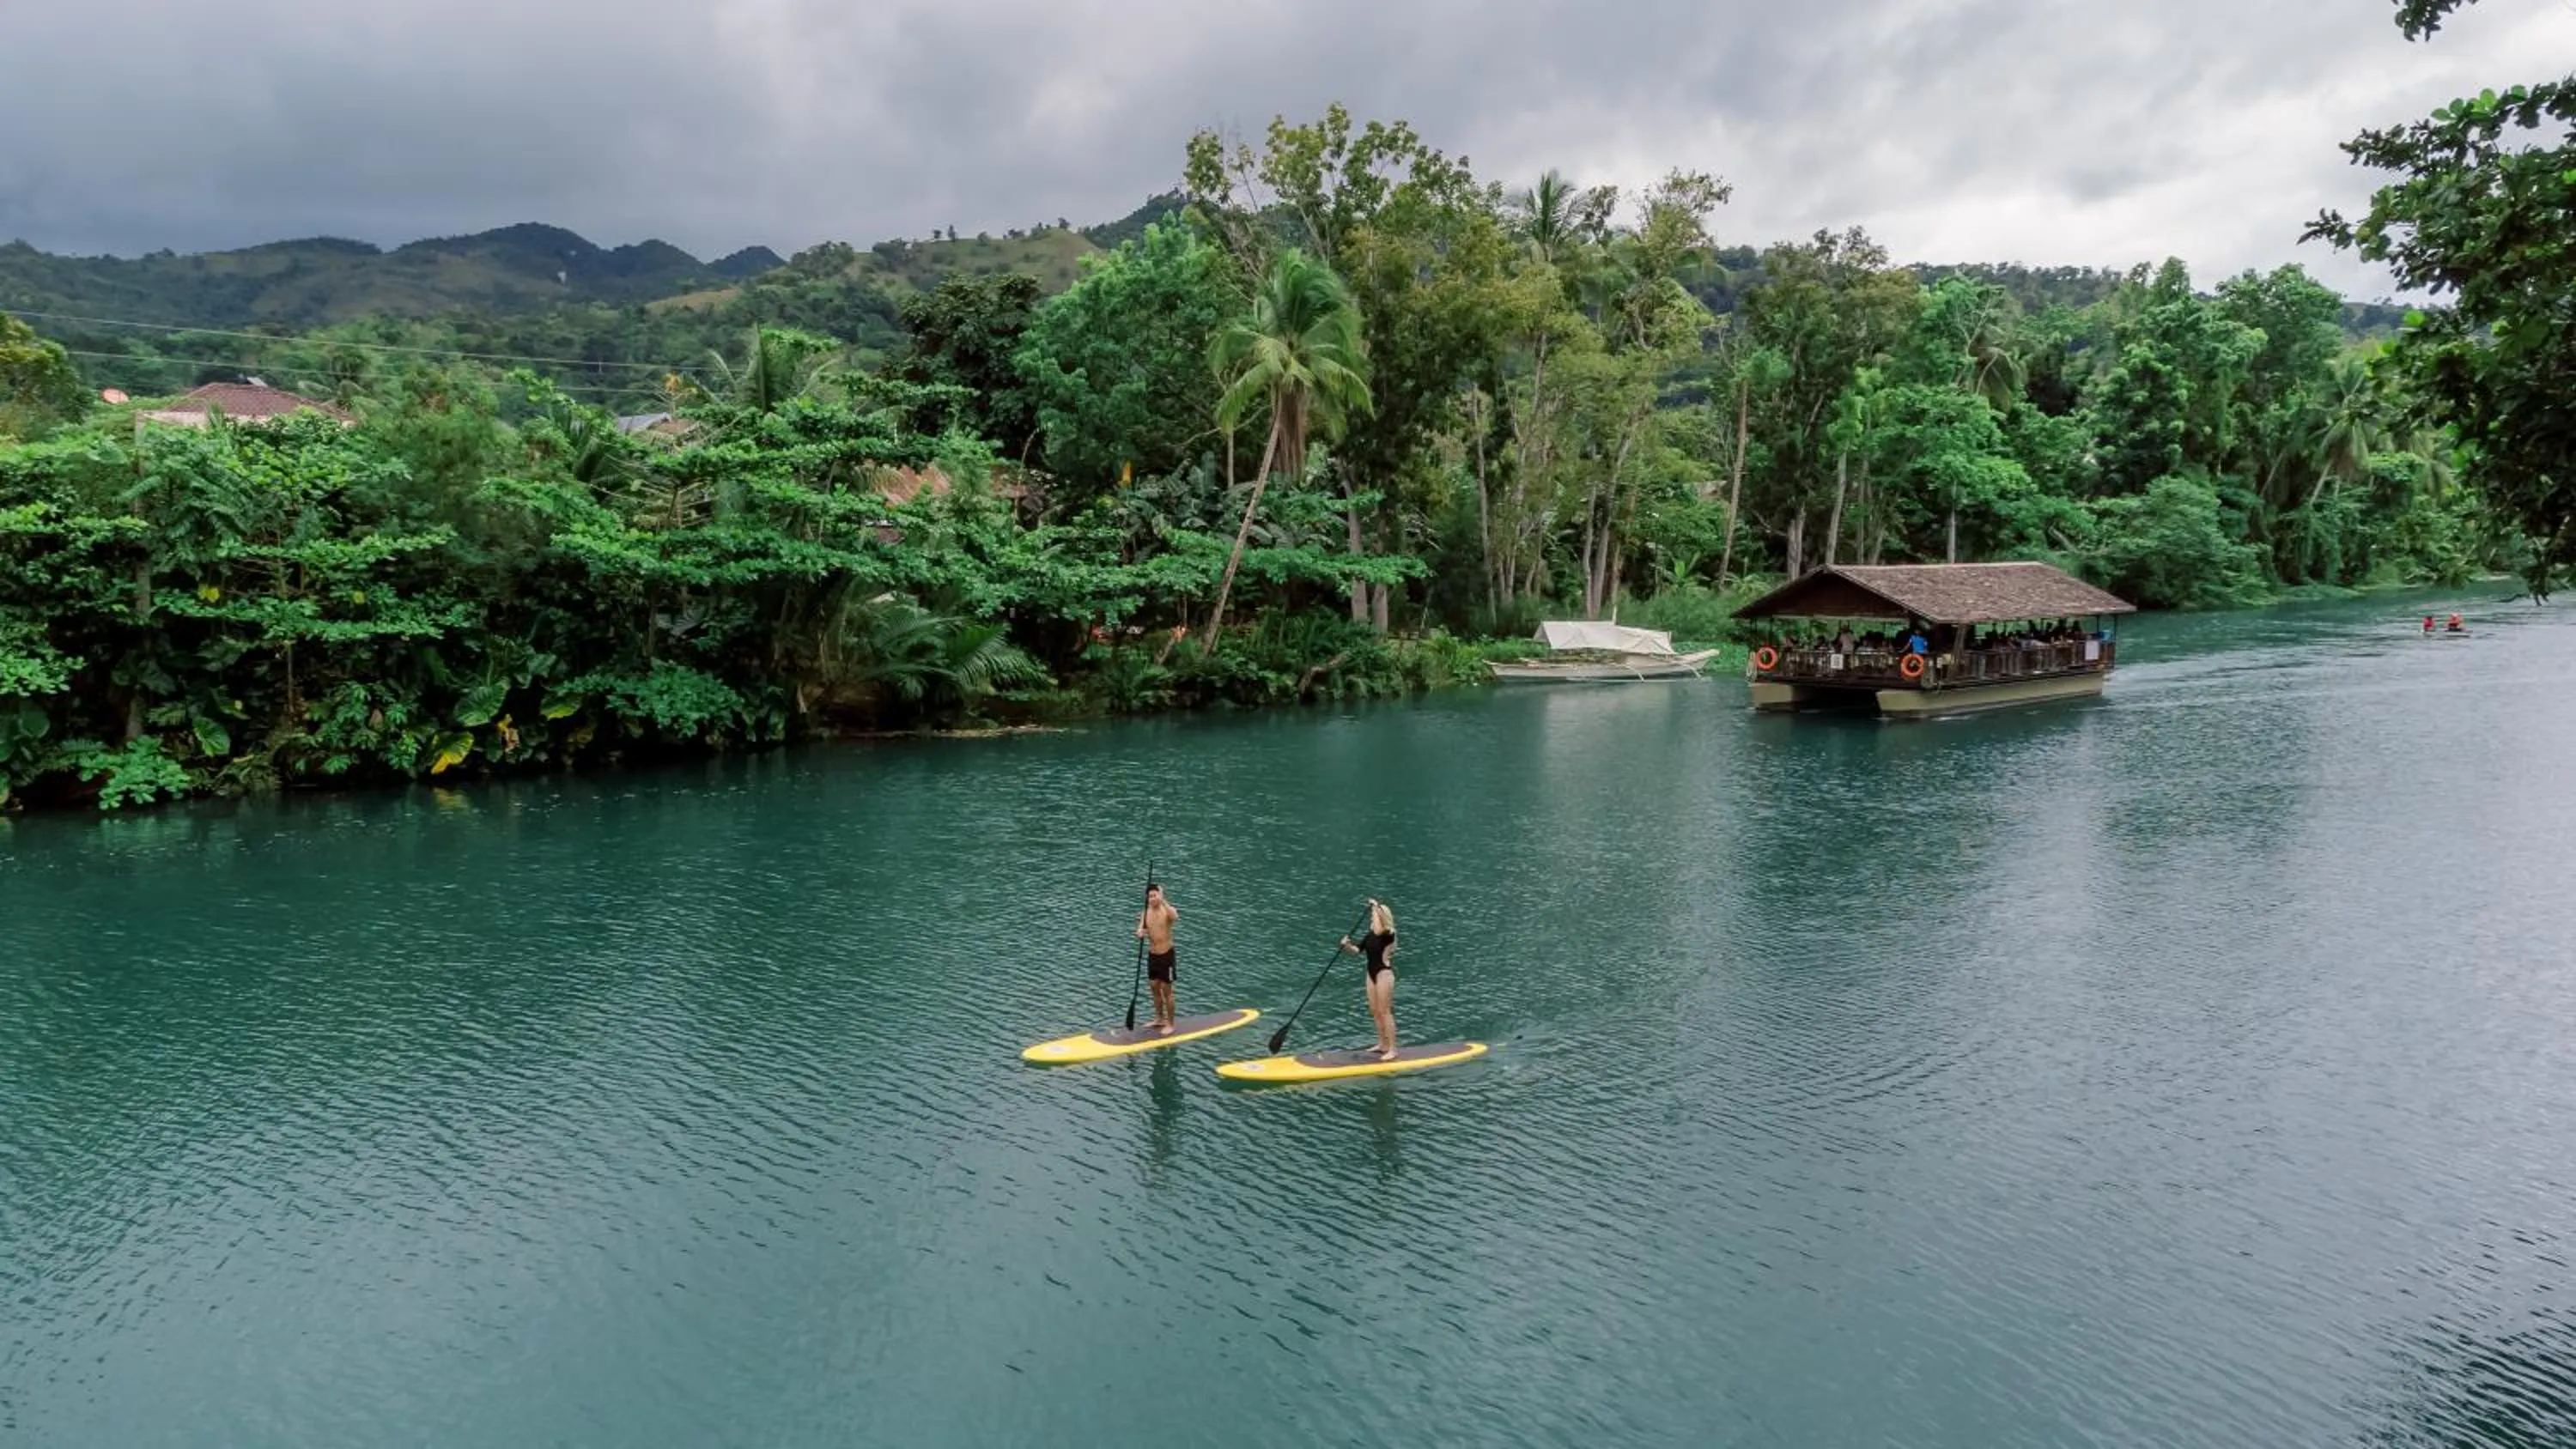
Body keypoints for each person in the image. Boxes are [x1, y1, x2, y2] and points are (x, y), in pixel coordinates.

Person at [1340, 899, 1400, 1061]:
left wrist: (1375, 907)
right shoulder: (1370, 935)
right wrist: (1346, 945)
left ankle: (1393, 1049)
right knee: (1375, 1010)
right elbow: (1357, 950)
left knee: (1385, 1012)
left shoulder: (1389, 934)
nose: (1372, 919)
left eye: (1374, 916)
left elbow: (1381, 927)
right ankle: (1383, 1045)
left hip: (1383, 974)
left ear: (1382, 917)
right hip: (1370, 974)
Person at [1135, 882, 1180, 1034]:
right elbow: (1140, 930)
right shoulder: (1145, 913)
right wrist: (1140, 933)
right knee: (1154, 987)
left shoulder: (1166, 910)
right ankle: (1159, 1018)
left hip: (1166, 955)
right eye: (1150, 896)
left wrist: (1164, 900)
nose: (1152, 898)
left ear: (1159, 896)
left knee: (1167, 990)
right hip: (1152, 956)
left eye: (1155, 895)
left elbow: (1175, 917)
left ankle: (1171, 1024)